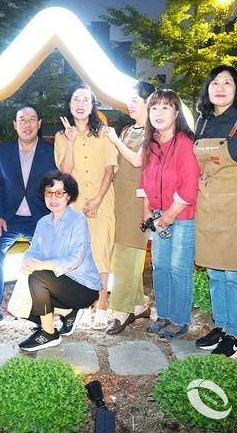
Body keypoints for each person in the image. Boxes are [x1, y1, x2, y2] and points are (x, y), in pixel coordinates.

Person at [192, 66, 237, 358]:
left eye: (227, 82)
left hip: (236, 206)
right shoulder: (203, 121)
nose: (220, 87)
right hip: (207, 205)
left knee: (235, 273)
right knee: (214, 272)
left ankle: (235, 335)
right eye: (215, 82)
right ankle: (221, 327)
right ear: (207, 89)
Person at [0, 104, 57, 333]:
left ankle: (41, 309)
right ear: (15, 124)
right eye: (22, 119)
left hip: (39, 219)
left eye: (32, 119)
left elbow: (57, 187)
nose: (27, 124)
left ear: (39, 124)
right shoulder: (3, 152)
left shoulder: (51, 152)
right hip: (8, 218)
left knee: (47, 254)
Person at [17, 169, 102, 351]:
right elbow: (33, 251)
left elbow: (74, 259)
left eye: (59, 193)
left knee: (37, 277)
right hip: (57, 285)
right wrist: (26, 262)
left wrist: (41, 265)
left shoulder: (78, 221)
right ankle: (67, 312)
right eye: (49, 193)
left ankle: (49, 334)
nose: (53, 198)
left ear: (68, 196)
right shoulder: (43, 223)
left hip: (82, 287)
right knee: (19, 305)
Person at [138, 89, 200, 340]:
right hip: (158, 216)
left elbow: (190, 184)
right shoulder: (151, 143)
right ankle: (163, 315)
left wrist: (169, 215)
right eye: (154, 108)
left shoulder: (185, 142)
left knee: (178, 268)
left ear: (176, 112)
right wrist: (147, 211)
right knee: (160, 267)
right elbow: (146, 179)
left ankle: (179, 320)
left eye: (165, 107)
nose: (159, 112)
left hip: (181, 217)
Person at [55, 83, 117, 330]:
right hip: (75, 203)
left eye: (85, 100)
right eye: (76, 100)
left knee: (100, 253)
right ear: (69, 105)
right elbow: (64, 172)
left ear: (92, 106)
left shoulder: (104, 133)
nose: (80, 105)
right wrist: (71, 142)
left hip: (102, 200)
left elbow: (110, 169)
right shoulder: (61, 136)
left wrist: (98, 199)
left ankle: (101, 306)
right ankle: (80, 306)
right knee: (78, 256)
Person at [103, 81, 157, 334]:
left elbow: (137, 161)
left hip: (138, 201)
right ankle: (137, 306)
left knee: (127, 254)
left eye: (135, 100)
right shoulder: (128, 130)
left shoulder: (153, 132)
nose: (130, 104)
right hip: (120, 199)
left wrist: (115, 140)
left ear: (149, 102)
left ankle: (120, 312)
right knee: (126, 253)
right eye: (129, 99)